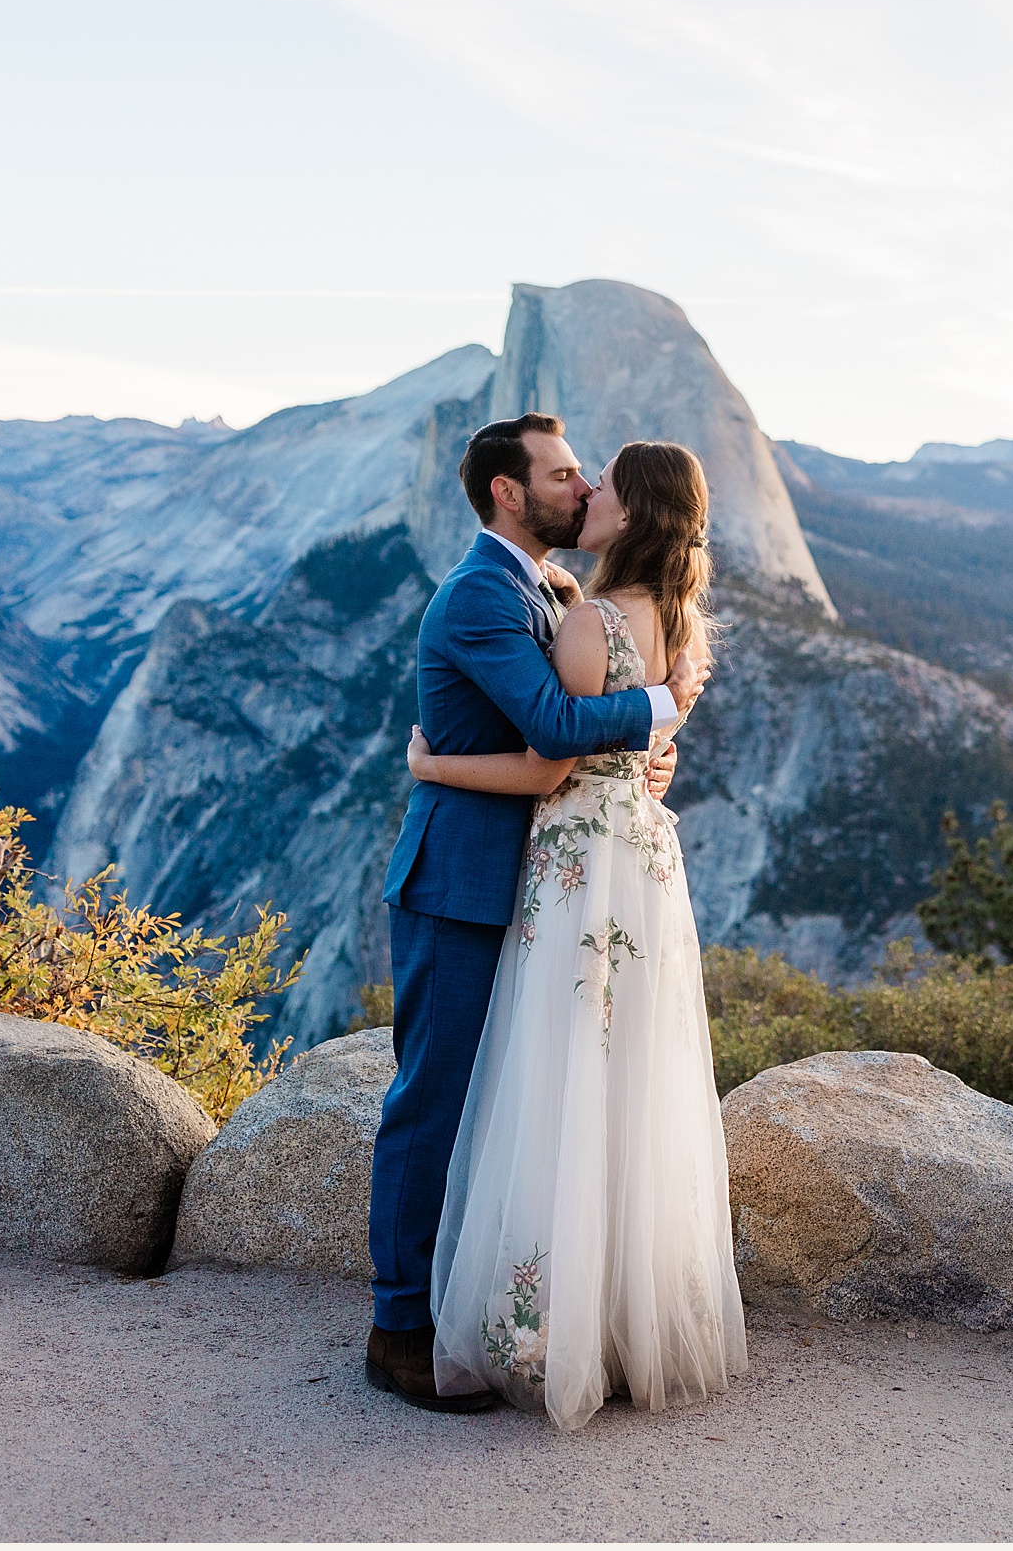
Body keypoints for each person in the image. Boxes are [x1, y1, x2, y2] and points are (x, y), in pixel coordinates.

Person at [367, 413, 703, 1415]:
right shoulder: (480, 591)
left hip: (541, 886)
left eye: (587, 476)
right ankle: (396, 1332)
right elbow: (557, 734)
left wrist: (647, 743)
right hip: (461, 882)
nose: (579, 487)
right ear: (509, 493)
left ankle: (482, 1307)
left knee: (512, 1103)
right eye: (563, 474)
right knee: (434, 1100)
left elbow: (573, 737)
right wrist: (659, 706)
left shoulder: (549, 590)